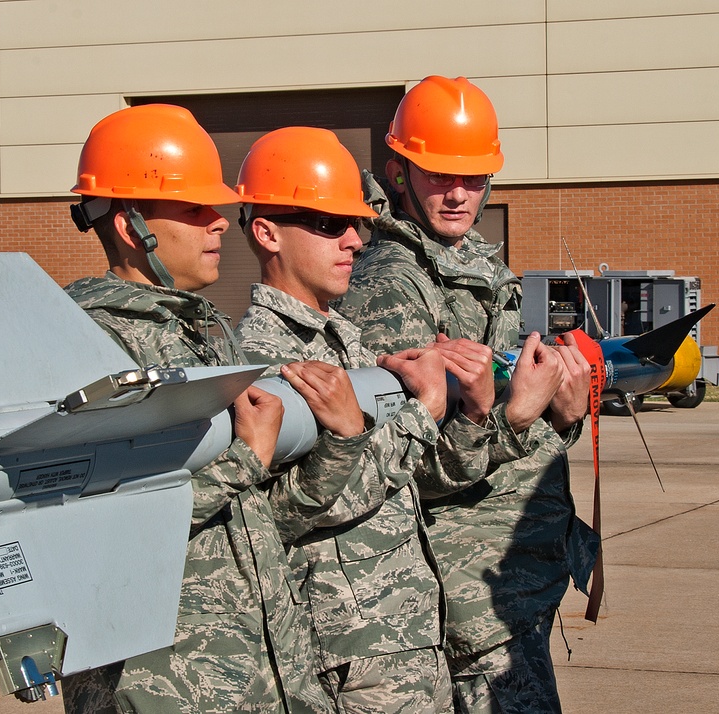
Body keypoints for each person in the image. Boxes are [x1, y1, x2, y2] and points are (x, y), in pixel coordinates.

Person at [59, 104, 369, 714]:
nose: (220, 224)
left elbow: (270, 519)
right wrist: (244, 460)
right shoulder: (81, 346)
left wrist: (340, 440)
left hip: (264, 670)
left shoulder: (209, 336)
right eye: (196, 210)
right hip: (161, 685)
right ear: (131, 225)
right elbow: (92, 526)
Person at [233, 126, 530, 713]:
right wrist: (422, 412)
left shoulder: (346, 343)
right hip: (354, 648)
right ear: (266, 232)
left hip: (409, 631)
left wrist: (481, 415)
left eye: (358, 225)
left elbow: (414, 479)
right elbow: (290, 514)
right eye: (327, 225)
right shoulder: (263, 360)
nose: (354, 242)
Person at [338, 76, 600, 713]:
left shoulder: (475, 265)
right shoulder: (392, 286)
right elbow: (404, 464)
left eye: (473, 177)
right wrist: (513, 417)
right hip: (465, 593)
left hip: (515, 579)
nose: (457, 193)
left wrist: (561, 415)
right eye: (437, 174)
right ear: (399, 172)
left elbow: (516, 409)